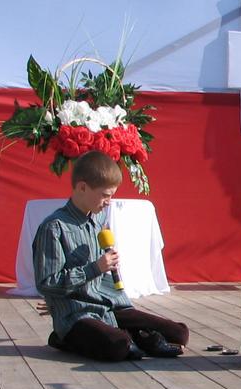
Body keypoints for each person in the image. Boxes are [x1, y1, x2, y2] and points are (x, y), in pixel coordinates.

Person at [34, 150, 189, 361]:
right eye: (105, 195)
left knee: (179, 333)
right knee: (118, 346)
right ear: (82, 187)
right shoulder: (54, 227)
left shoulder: (98, 221)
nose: (109, 202)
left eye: (111, 196)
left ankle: (133, 337)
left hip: (108, 305)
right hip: (76, 312)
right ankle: (65, 338)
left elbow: (102, 275)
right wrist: (95, 268)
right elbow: (47, 282)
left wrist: (109, 268)